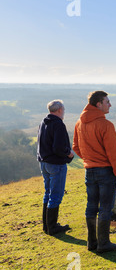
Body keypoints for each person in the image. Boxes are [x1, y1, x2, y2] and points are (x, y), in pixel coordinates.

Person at [73, 91, 116, 253]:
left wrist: (89, 159)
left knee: (91, 206)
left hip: (89, 171)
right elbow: (114, 153)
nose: (110, 104)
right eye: (107, 102)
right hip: (105, 172)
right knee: (105, 207)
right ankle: (104, 243)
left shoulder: (79, 123)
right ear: (98, 104)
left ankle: (92, 242)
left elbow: (75, 147)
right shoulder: (106, 125)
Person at [37, 100, 74, 235]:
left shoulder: (43, 122)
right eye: (63, 110)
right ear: (59, 110)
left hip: (44, 162)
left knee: (48, 193)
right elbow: (58, 147)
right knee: (56, 195)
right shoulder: (58, 124)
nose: (64, 112)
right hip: (56, 164)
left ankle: (47, 226)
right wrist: (69, 154)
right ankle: (53, 228)